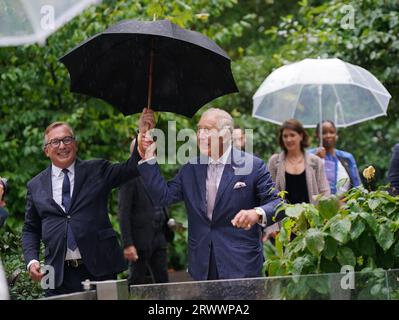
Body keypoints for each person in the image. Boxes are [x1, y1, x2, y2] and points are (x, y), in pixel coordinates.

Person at [136, 107, 283, 281]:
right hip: (202, 265)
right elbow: (163, 196)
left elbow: (278, 204)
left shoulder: (253, 166)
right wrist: (148, 157)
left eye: (207, 130)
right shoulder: (191, 168)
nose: (200, 135)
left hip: (241, 264)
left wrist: (256, 213)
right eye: (199, 130)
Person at [22, 114, 152, 296]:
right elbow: (30, 229)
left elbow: (131, 168)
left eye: (67, 139)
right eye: (55, 142)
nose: (62, 146)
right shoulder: (35, 185)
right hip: (57, 274)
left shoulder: (97, 170)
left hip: (100, 269)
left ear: (75, 144)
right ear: (46, 150)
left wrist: (143, 134)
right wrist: (32, 260)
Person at [264, 119, 330, 241]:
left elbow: (325, 192)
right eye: (285, 136)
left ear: (301, 135)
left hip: (312, 227)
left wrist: (324, 219)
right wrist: (272, 228)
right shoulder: (275, 162)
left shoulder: (315, 162)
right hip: (284, 228)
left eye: (292, 135)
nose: (288, 139)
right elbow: (269, 195)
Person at [118, 141, 173, 285]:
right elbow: (123, 212)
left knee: (163, 281)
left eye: (153, 151)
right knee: (136, 280)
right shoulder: (129, 177)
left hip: (159, 237)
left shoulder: (156, 172)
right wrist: (128, 244)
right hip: (139, 240)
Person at [309, 120, 361, 195]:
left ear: (336, 134)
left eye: (331, 132)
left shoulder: (346, 157)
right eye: (323, 133)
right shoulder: (309, 155)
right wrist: (315, 158)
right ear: (317, 135)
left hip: (344, 204)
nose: (328, 135)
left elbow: (357, 185)